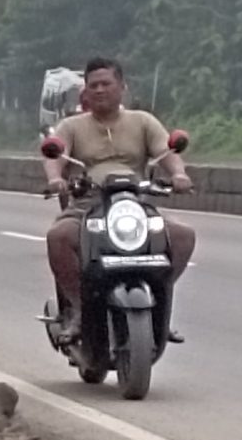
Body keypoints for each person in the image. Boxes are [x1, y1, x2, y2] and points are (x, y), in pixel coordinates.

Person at [41, 56, 195, 336]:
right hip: (88, 207)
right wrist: (55, 179)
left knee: (183, 235)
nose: (100, 90)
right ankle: (79, 310)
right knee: (58, 237)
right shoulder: (72, 126)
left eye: (106, 83)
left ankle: (160, 304)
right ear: (85, 91)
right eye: (93, 85)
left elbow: (167, 151)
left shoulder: (143, 121)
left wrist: (179, 175)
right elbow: (56, 154)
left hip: (136, 206)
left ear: (122, 86)